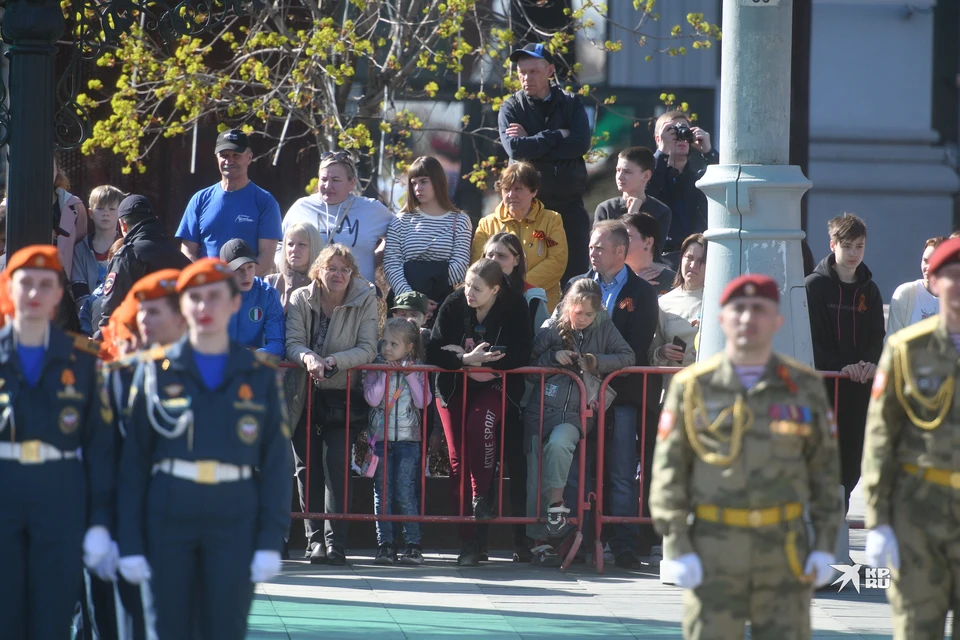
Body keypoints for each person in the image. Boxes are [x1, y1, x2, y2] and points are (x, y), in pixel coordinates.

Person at [651, 274, 842, 640]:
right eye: (738, 309)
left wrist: (824, 546)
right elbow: (669, 472)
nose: (747, 318)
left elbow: (824, 473)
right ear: (721, 319)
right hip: (713, 545)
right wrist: (677, 545)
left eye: (759, 309)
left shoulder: (802, 387)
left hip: (783, 548)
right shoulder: (692, 387)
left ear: (777, 321)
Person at [116, 258, 291, 639]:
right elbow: (134, 462)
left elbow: (278, 462)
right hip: (168, 512)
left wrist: (269, 539)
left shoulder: (258, 375)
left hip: (233, 515)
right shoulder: (155, 371)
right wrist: (128, 540)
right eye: (195, 298)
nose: (204, 308)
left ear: (234, 303)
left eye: (215, 297)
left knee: (224, 629)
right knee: (167, 628)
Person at [0, 246, 116, 640]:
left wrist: (98, 523)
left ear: (57, 295)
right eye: (25, 283)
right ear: (8, 289)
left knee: (52, 617)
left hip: (60, 500)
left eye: (44, 285)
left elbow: (99, 449)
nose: (34, 293)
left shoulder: (81, 362)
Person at [862, 237, 960, 640]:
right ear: (934, 283)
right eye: (953, 277)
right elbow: (882, 436)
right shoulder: (907, 350)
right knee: (919, 629)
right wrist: (878, 520)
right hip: (920, 514)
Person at [89, 269, 185, 640]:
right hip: (120, 521)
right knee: (115, 624)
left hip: (179, 520)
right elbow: (101, 456)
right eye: (140, 314)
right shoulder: (116, 378)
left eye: (155, 312)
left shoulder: (204, 376)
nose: (143, 323)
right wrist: (100, 527)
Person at [426, 259, 533, 565]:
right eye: (468, 284)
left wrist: (480, 361)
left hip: (495, 387)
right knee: (458, 462)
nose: (469, 292)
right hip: (453, 387)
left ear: (495, 290)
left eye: (477, 288)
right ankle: (469, 543)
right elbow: (433, 350)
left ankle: (481, 497)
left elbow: (522, 352)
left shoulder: (515, 305)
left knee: (480, 425)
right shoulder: (454, 302)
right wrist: (464, 362)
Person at [570, 220, 660, 567]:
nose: (592, 252)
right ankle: (583, 538)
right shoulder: (576, 285)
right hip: (580, 397)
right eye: (591, 246)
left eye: (599, 247)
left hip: (621, 397)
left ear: (620, 252)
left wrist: (595, 363)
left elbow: (635, 348)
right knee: (582, 468)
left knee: (622, 470)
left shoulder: (642, 293)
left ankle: (623, 542)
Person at [526, 278, 634, 566]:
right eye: (578, 313)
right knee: (536, 472)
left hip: (576, 413)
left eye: (589, 314)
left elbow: (627, 356)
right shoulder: (551, 328)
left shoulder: (604, 327)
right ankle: (539, 541)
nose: (583, 319)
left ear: (598, 312)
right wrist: (552, 356)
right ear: (567, 307)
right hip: (541, 409)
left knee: (560, 445)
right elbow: (527, 362)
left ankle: (558, 507)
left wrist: (593, 361)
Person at [285, 243, 379, 565]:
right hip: (302, 393)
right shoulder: (301, 298)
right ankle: (314, 542)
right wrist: (309, 358)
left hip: (342, 395)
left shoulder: (365, 297)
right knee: (306, 467)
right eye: (331, 268)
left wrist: (334, 361)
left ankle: (336, 542)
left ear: (352, 273)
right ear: (318, 271)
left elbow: (368, 348)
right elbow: (292, 343)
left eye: (344, 269)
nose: (338, 274)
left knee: (337, 467)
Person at [805, 213, 884, 510]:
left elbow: (877, 335)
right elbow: (810, 341)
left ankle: (838, 525)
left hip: (858, 389)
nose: (854, 254)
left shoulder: (870, 290)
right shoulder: (813, 287)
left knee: (853, 462)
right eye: (848, 246)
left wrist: (868, 364)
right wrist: (841, 367)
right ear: (833, 245)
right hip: (825, 389)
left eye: (859, 247)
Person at [499, 43, 591, 284]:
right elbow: (515, 149)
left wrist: (531, 138)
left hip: (568, 206)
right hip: (526, 210)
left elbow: (580, 145)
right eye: (521, 72)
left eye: (533, 71)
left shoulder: (571, 103)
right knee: (523, 279)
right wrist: (557, 134)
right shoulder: (511, 106)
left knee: (575, 281)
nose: (526, 77)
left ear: (550, 70)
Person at [363, 318, 430, 566]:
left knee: (405, 491)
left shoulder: (419, 368)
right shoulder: (375, 366)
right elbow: (372, 398)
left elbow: (423, 402)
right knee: (383, 493)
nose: (387, 348)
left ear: (409, 347)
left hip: (408, 439)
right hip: (381, 439)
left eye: (394, 344)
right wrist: (383, 375)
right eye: (385, 342)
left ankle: (412, 544)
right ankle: (386, 544)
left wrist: (410, 375)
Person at [176, 129, 282, 274]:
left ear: (249, 158)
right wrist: (207, 281)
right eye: (224, 155)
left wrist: (235, 283)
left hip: (248, 292)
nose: (229, 161)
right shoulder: (200, 200)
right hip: (208, 291)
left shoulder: (265, 202)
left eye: (236, 155)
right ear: (217, 158)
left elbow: (266, 259)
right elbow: (187, 252)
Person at [282, 152, 395, 284]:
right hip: (310, 296)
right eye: (323, 179)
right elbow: (280, 243)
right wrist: (288, 272)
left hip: (359, 298)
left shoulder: (371, 209)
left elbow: (398, 235)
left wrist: (373, 259)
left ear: (351, 183)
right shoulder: (302, 207)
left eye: (336, 180)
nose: (328, 186)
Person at [384, 156, 473, 321]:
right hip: (404, 304)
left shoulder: (459, 220)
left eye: (423, 181)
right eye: (414, 183)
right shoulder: (400, 220)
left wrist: (428, 295)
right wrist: (412, 298)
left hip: (441, 304)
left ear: (438, 181)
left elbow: (460, 266)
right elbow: (392, 264)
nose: (418, 188)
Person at [471, 162, 568, 312]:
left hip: (541, 307)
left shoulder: (552, 220)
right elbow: (477, 264)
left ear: (534, 191)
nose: (511, 195)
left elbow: (557, 261)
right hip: (495, 306)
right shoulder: (486, 224)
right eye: (506, 189)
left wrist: (520, 287)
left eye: (518, 189)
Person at [99, 195, 191, 331]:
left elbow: (111, 309)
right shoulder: (180, 257)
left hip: (140, 340)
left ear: (122, 224)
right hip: (178, 340)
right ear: (155, 220)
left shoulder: (127, 256)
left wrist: (101, 342)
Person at [646, 111, 718, 270]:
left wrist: (709, 153)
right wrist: (662, 152)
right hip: (657, 260)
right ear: (658, 139)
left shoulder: (701, 179)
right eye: (672, 132)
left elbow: (725, 188)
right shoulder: (647, 174)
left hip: (697, 259)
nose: (680, 137)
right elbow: (645, 194)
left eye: (685, 132)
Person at [594, 147, 672, 250]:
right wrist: (631, 214)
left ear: (646, 176)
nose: (620, 176)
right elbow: (600, 250)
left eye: (627, 172)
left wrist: (634, 217)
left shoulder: (660, 211)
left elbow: (654, 254)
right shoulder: (606, 209)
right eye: (618, 170)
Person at [219, 238, 285, 358]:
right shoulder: (213, 296)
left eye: (250, 267)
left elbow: (278, 345)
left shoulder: (268, 294)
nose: (246, 274)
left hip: (253, 368)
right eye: (239, 269)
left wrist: (251, 356)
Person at [649, 233, 706, 369]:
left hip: (710, 386)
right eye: (689, 257)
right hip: (675, 386)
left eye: (702, 261)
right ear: (681, 259)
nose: (693, 265)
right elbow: (651, 356)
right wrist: (661, 353)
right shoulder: (663, 303)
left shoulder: (721, 300)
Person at [71, 184, 123, 310]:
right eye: (100, 208)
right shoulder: (80, 249)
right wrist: (90, 313)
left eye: (111, 209)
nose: (106, 213)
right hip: (86, 317)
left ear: (120, 213)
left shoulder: (125, 247)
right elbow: (78, 285)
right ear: (90, 213)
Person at [887, 236, 946, 336]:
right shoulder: (905, 294)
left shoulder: (955, 299)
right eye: (925, 260)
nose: (928, 267)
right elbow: (892, 340)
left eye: (935, 262)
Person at [266, 222, 323, 309]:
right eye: (290, 244)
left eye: (302, 244)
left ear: (314, 247)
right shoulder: (270, 283)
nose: (294, 249)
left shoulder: (324, 287)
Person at [52, 152, 89, 279]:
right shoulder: (10, 206)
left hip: (65, 287)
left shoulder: (75, 206)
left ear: (57, 169)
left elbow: (80, 249)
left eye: (51, 166)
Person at [622, 212, 677, 295]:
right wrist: (632, 286)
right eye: (618, 236)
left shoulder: (673, 281)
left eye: (627, 236)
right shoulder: (609, 277)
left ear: (648, 242)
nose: (620, 241)